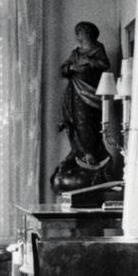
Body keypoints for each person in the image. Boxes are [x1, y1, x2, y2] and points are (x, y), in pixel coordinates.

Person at [58, 21, 113, 173]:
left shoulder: (98, 49)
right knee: (78, 122)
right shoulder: (75, 53)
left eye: (80, 32)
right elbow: (64, 69)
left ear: (87, 33)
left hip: (92, 94)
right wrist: (71, 67)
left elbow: (104, 64)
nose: (77, 35)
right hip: (76, 93)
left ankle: (93, 154)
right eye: (77, 32)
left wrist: (90, 61)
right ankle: (81, 152)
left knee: (90, 123)